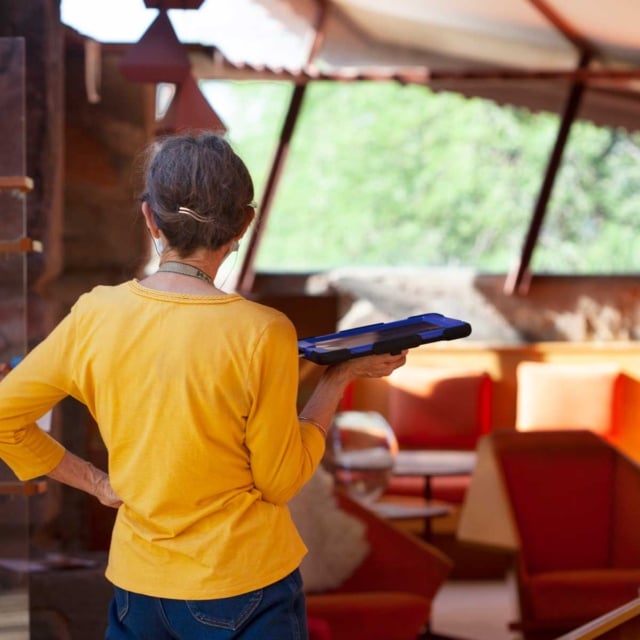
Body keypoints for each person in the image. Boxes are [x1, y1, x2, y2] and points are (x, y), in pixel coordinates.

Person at [0, 132, 406, 639]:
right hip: (245, 583)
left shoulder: (94, 314)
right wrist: (338, 377)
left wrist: (97, 484)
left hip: (138, 590)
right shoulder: (263, 330)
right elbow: (279, 481)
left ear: (150, 217)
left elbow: (5, 418)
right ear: (243, 224)